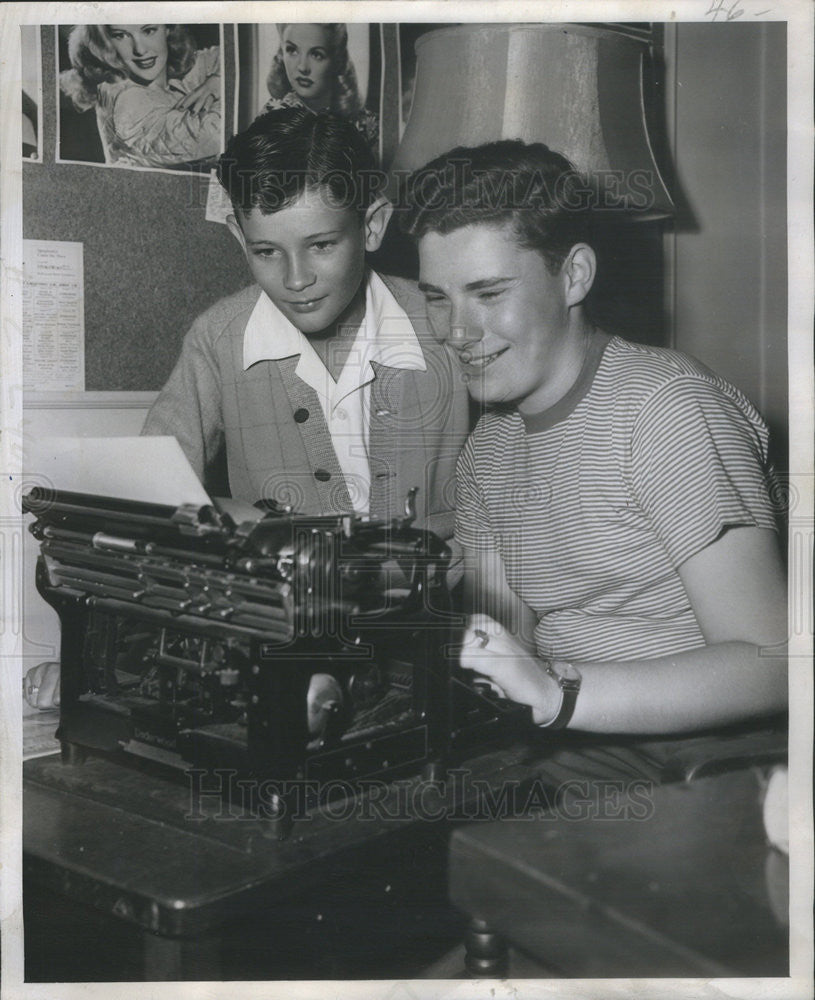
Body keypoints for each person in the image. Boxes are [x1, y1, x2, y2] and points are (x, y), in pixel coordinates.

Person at [24, 108, 469, 711]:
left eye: (321, 245)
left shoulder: (449, 323)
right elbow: (145, 513)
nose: (295, 279)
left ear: (372, 225)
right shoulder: (219, 337)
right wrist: (91, 662)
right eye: (266, 251)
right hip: (283, 654)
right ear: (238, 235)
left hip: (447, 642)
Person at [402, 139, 787, 736]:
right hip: (563, 741)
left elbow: (771, 663)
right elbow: (498, 648)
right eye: (436, 298)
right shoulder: (487, 451)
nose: (456, 331)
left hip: (700, 757)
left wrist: (557, 693)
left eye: (488, 293)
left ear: (574, 275)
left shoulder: (669, 410)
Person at [60, 23, 221, 168]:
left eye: (149, 30)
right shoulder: (126, 101)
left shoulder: (167, 74)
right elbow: (216, 134)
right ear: (103, 42)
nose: (140, 49)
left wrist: (217, 79)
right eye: (121, 35)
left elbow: (226, 56)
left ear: (167, 29)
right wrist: (222, 82)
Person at [262, 23, 379, 157]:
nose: (303, 67)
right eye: (292, 50)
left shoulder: (366, 124)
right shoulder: (271, 120)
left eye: (317, 55)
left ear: (337, 60)